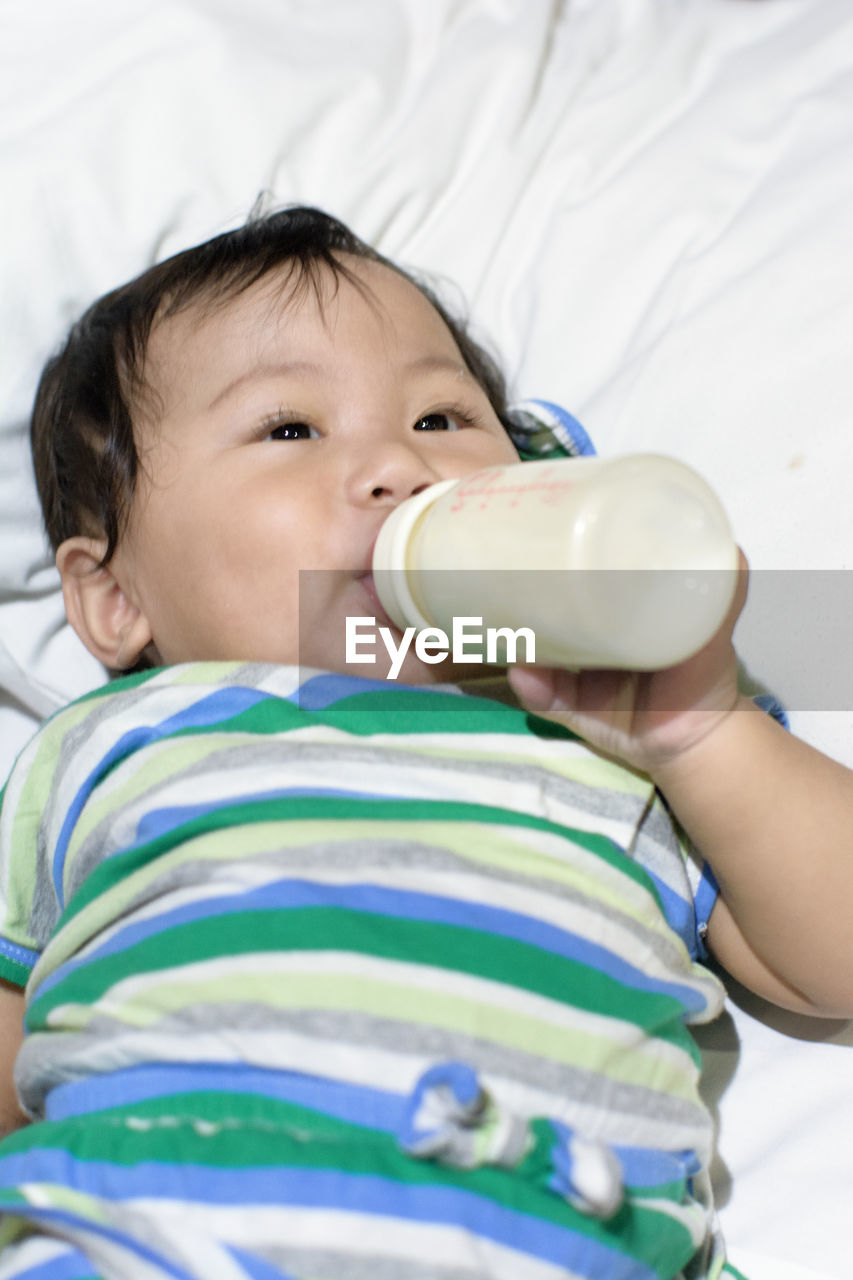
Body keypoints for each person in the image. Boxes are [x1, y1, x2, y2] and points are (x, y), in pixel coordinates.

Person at [0, 204, 850, 1280]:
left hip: (556, 1236)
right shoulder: (105, 745)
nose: (397, 467)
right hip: (149, 1222)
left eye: (443, 418)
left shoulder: (608, 712)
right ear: (116, 598)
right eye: (290, 429)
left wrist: (697, 731)